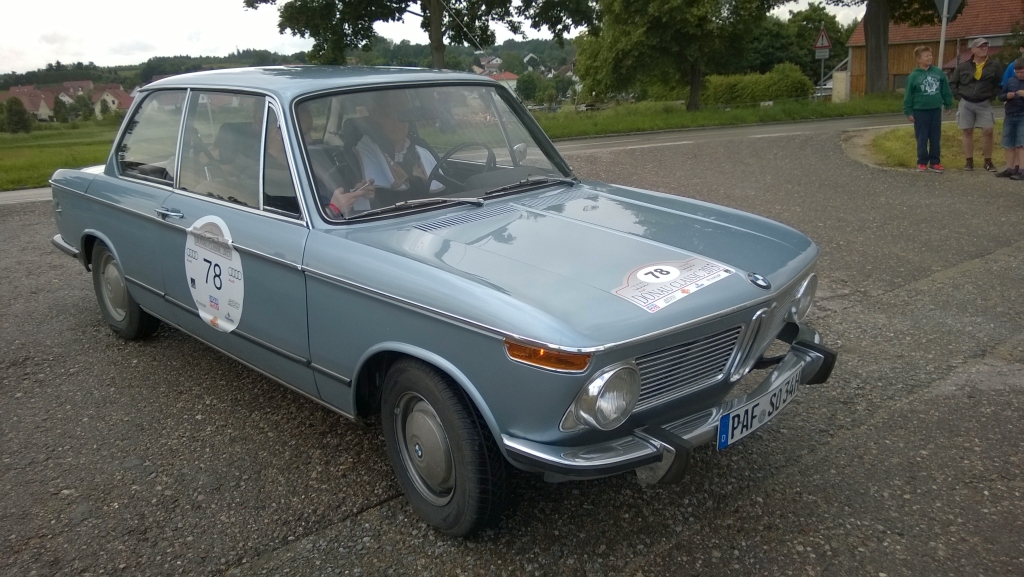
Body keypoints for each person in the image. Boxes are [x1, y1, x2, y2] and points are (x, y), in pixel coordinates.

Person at [950, 38, 1003, 171]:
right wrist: (959, 97)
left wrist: (992, 96)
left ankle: (988, 161)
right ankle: (969, 161)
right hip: (966, 102)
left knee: (988, 130)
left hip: (984, 102)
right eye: (980, 46)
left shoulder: (994, 65)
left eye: (985, 46)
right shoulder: (963, 66)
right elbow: (953, 83)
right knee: (967, 131)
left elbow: (999, 83)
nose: (984, 48)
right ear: (973, 50)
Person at [904, 46, 954, 172]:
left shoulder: (938, 73)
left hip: (935, 110)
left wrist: (948, 104)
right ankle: (922, 162)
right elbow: (908, 95)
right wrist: (909, 111)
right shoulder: (913, 76)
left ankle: (935, 162)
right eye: (926, 56)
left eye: (930, 55)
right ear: (918, 59)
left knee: (935, 136)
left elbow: (945, 89)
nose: (929, 58)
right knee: (922, 137)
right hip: (920, 111)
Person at [996, 58, 1024, 179]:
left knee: (1021, 143)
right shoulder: (1010, 81)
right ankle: (1010, 168)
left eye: (1022, 72)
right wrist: (1006, 96)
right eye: (1017, 72)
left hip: (1022, 115)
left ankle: (1022, 169)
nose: (1019, 74)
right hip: (1010, 114)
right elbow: (1000, 96)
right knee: (1008, 143)